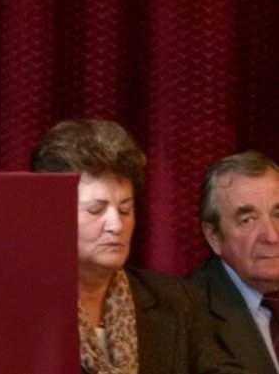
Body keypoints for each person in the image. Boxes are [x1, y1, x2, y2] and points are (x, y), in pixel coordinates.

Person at [31, 119, 249, 374]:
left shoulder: (172, 299)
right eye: (96, 210)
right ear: (53, 214)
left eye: (125, 209)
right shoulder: (23, 309)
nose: (116, 225)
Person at [190, 151, 279, 374]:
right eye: (248, 220)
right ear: (214, 237)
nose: (272, 236)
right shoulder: (189, 316)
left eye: (278, 215)